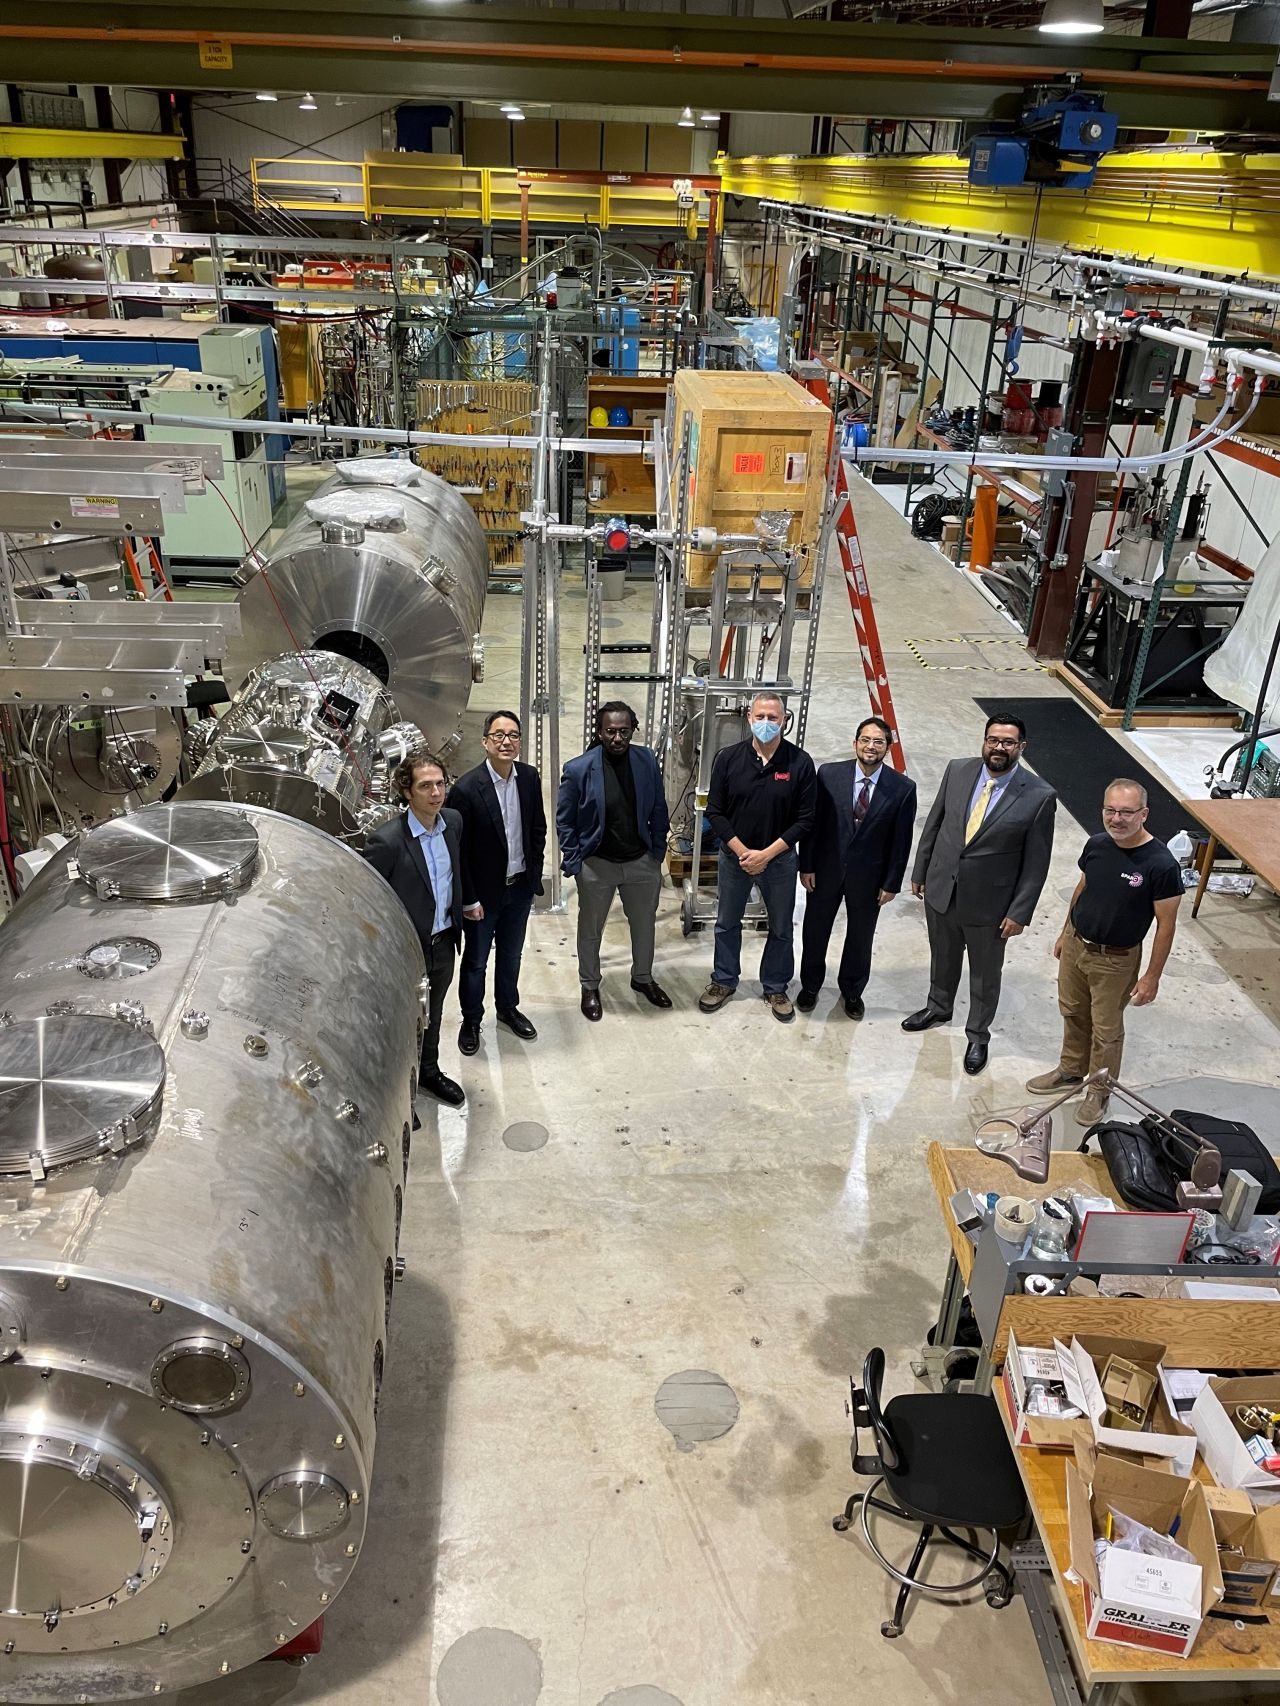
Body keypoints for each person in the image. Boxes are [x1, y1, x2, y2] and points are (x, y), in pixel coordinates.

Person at [904, 712, 1056, 1076]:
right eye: (993, 740)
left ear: (1021, 747)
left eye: (1007, 742)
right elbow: (935, 823)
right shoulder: (958, 770)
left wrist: (1019, 912)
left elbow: (1037, 863)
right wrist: (921, 870)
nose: (998, 748)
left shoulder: (1039, 796)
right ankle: (939, 1006)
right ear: (984, 740)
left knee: (985, 974)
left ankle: (978, 1034)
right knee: (942, 955)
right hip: (944, 887)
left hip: (991, 905)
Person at [1027, 779, 1182, 1127]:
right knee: (1072, 1011)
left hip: (1116, 959)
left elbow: (1166, 925)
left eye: (1126, 812)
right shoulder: (1096, 845)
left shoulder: (1160, 864)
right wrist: (1066, 932)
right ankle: (1070, 1070)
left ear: (1144, 813)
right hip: (1078, 946)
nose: (1117, 818)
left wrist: (1152, 976)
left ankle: (1099, 1089)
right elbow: (1082, 888)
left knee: (1106, 1029)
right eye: (1110, 810)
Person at [363, 749, 479, 1108]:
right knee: (402, 1022)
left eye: (440, 784)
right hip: (406, 950)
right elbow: (370, 898)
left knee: (434, 1014)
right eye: (425, 786)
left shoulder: (453, 823)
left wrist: (465, 904)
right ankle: (400, 1096)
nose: (435, 793)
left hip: (443, 942)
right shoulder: (387, 841)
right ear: (407, 792)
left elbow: (453, 873)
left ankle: (429, 1072)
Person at [699, 691, 817, 1021]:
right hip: (735, 858)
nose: (767, 723)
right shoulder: (728, 758)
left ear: (785, 720)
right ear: (749, 718)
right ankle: (723, 980)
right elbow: (716, 812)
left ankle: (775, 985)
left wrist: (766, 854)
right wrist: (742, 852)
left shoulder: (800, 763)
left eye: (774, 718)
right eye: (761, 717)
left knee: (780, 926)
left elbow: (806, 818)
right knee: (726, 923)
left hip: (779, 861)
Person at [557, 701, 672, 1021]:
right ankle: (590, 984)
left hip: (641, 862)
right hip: (598, 865)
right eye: (610, 731)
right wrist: (575, 860)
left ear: (633, 730)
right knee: (591, 929)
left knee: (644, 925)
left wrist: (657, 852)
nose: (617, 738)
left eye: (623, 731)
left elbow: (659, 807)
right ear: (599, 731)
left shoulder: (646, 759)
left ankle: (643, 978)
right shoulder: (579, 768)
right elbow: (565, 820)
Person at [797, 716, 917, 1018]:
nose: (871, 746)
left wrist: (891, 882)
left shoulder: (902, 788)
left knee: (861, 936)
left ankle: (852, 990)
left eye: (878, 742)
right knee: (815, 930)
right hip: (825, 870)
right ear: (855, 743)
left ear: (887, 748)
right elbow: (813, 826)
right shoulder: (828, 775)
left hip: (870, 877)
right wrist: (806, 865)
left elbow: (901, 841)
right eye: (865, 739)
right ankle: (810, 985)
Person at [448, 709, 547, 1057]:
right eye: (499, 735)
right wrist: (469, 899)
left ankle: (508, 1008)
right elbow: (458, 852)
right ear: (485, 741)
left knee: (511, 954)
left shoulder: (530, 778)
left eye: (514, 735)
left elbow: (538, 829)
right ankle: (471, 1020)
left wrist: (532, 874)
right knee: (475, 962)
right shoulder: (466, 788)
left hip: (518, 888)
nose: (507, 741)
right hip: (483, 897)